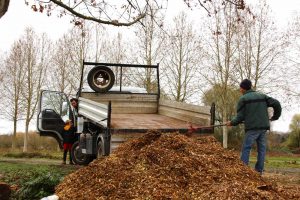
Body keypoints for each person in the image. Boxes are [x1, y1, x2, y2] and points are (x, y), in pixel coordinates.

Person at [226, 79, 281, 175]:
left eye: (240, 88)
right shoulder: (262, 96)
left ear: (243, 88)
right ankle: (259, 171)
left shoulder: (243, 99)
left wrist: (232, 123)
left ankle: (244, 171)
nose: (240, 90)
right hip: (263, 127)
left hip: (252, 128)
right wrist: (275, 117)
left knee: (246, 148)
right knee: (262, 149)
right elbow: (276, 103)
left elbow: (240, 116)